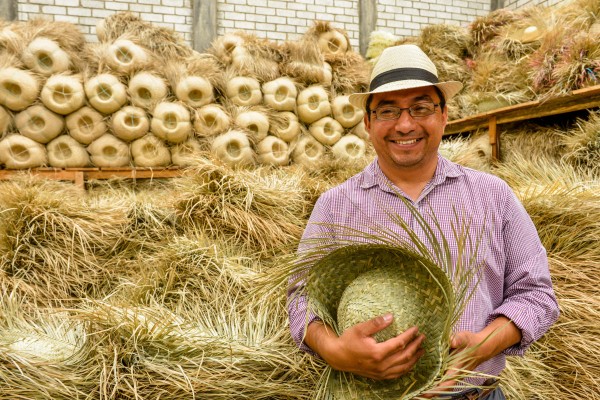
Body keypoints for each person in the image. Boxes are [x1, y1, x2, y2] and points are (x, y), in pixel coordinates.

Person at [287, 44, 560, 399]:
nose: (405, 124)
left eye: (421, 107)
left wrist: (484, 344)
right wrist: (334, 350)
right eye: (387, 110)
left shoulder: (494, 196)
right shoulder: (336, 206)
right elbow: (302, 296)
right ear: (367, 123)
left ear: (444, 115)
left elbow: (536, 294)